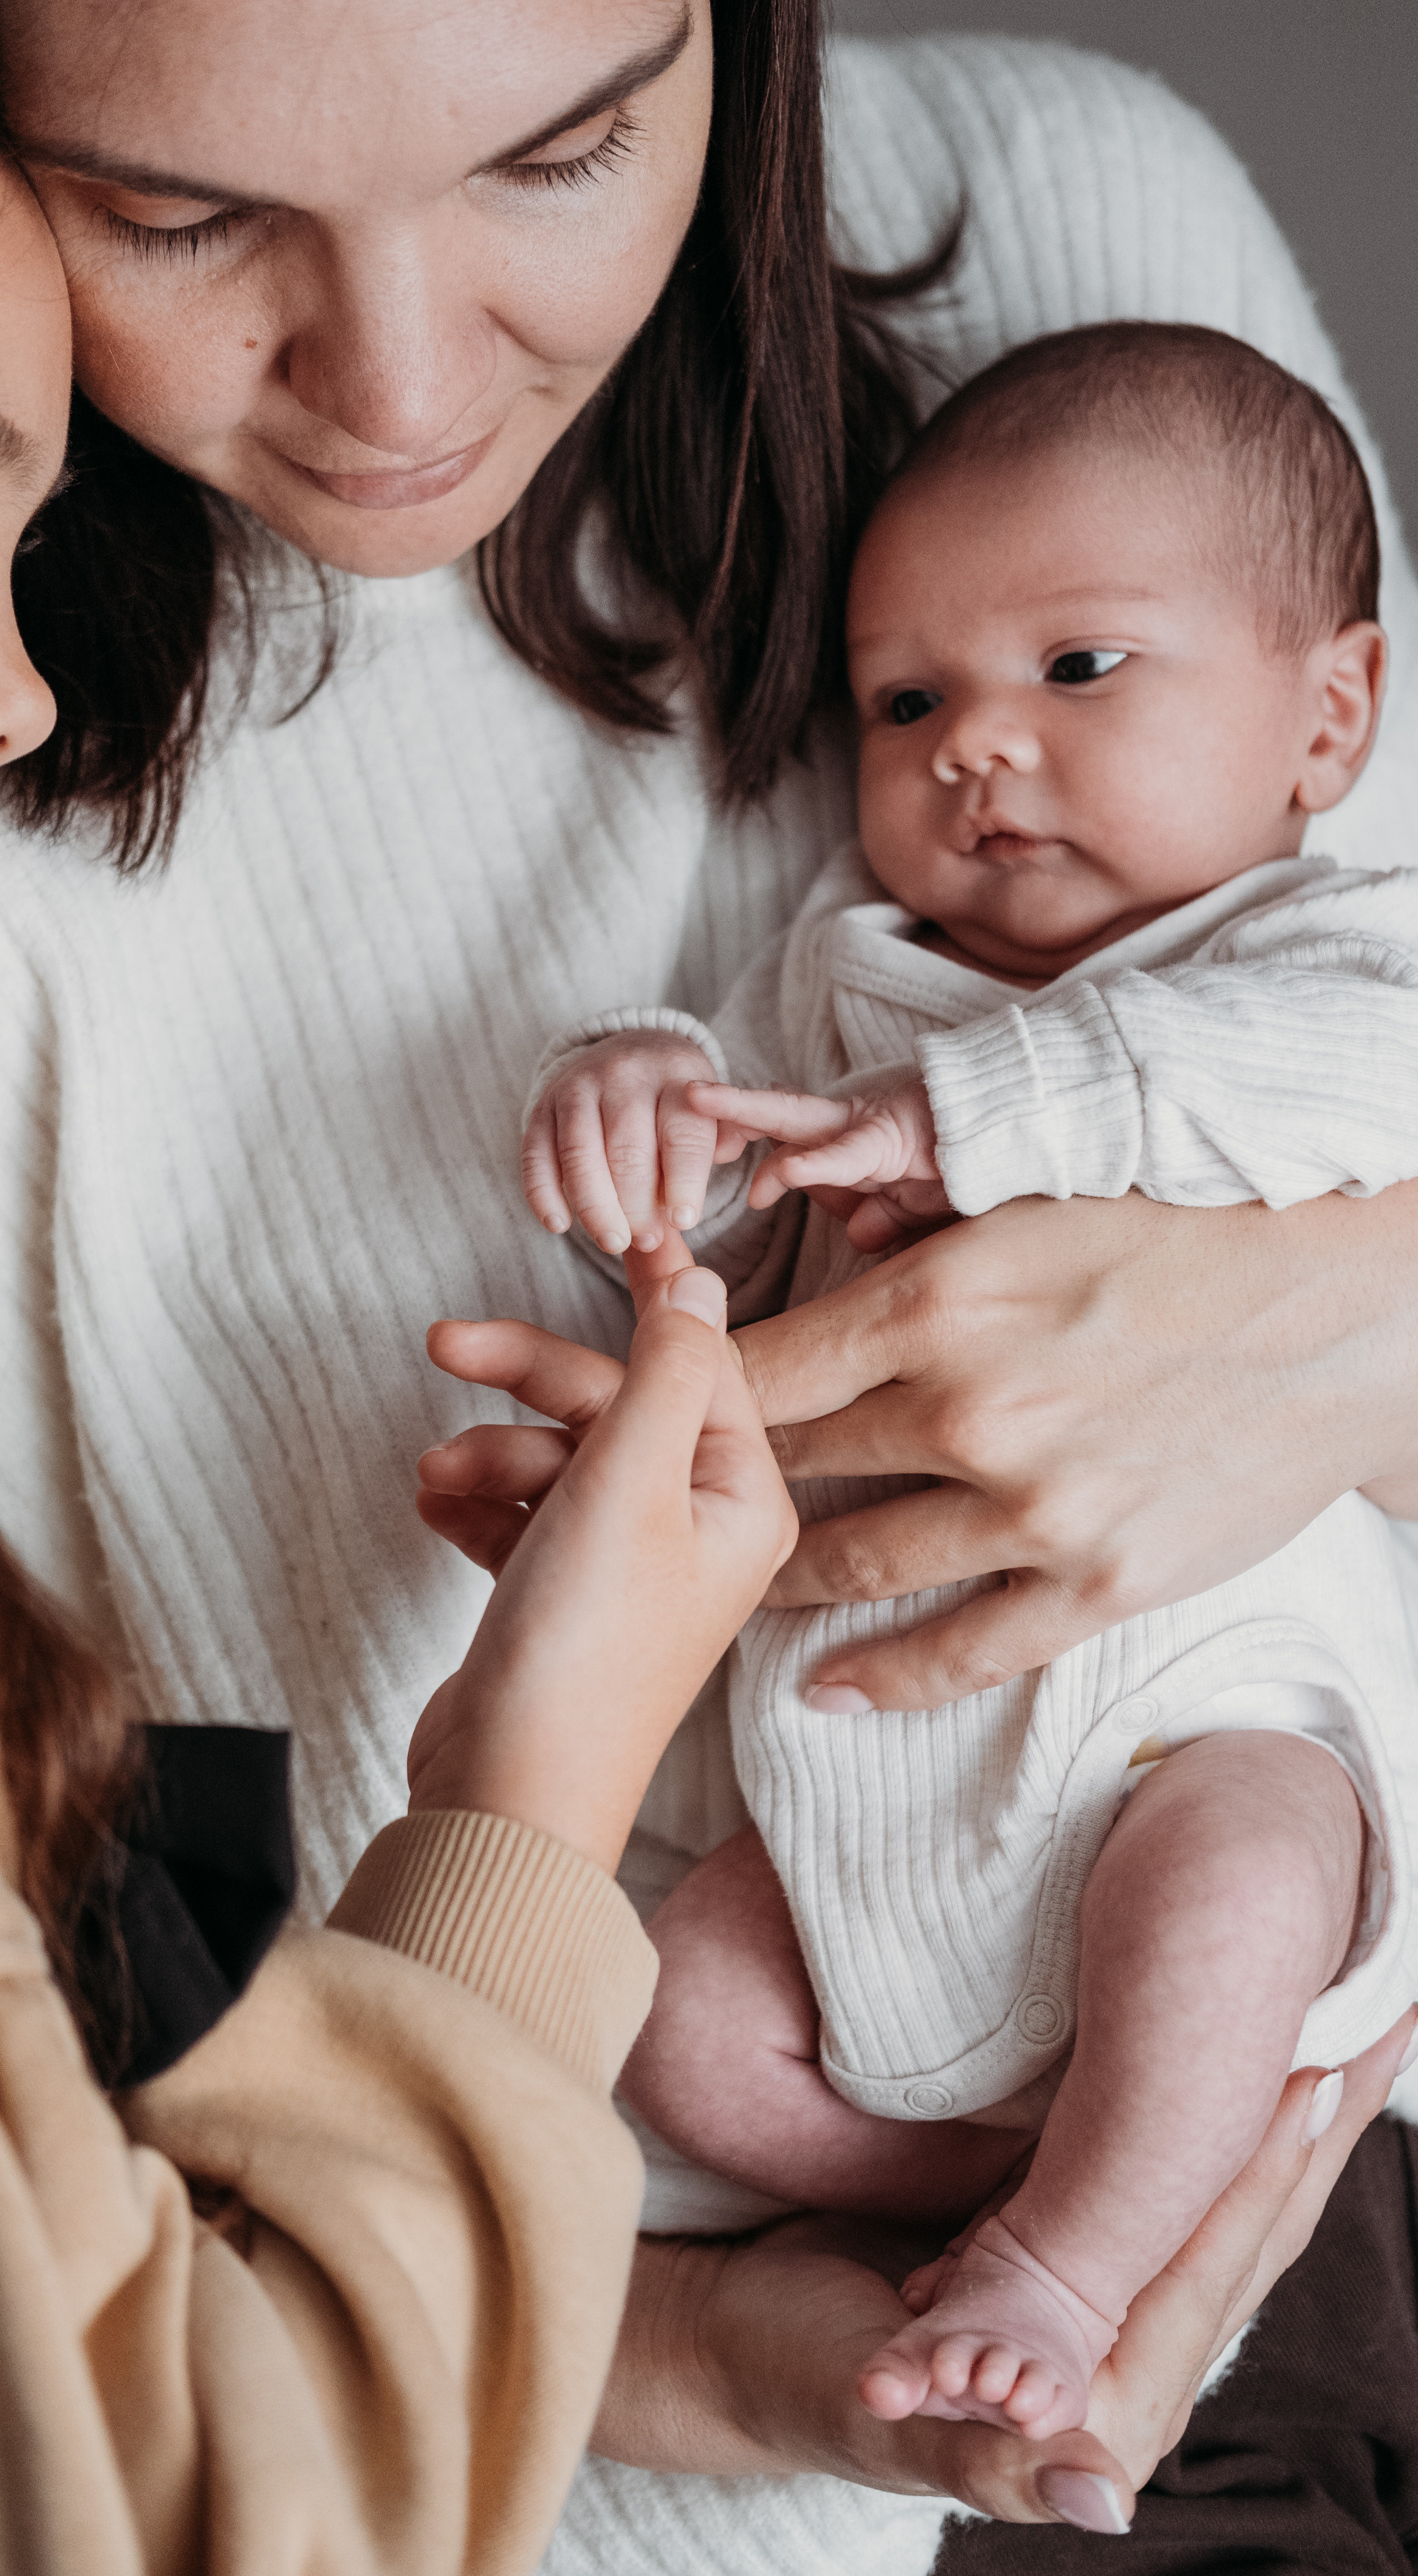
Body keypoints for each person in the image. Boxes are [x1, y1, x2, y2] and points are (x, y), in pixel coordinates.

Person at [0, 1, 1418, 2564]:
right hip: (523, 2401)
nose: (403, 388)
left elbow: (1342, 1013)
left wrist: (1322, 1329)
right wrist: (733, 2345)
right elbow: (69, 2253)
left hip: (1276, 2202)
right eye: (181, 218)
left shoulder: (1076, 274)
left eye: (566, 150)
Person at [523, 319, 1418, 2441]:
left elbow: (1348, 1085)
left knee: (1234, 1901)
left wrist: (971, 1113)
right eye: (906, 702)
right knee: (683, 2022)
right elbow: (732, 1210)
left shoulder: (1327, 960)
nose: (975, 750)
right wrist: (645, 1095)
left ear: (1333, 714)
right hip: (867, 1770)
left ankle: (1072, 2254)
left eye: (1078, 669)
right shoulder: (847, 972)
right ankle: (986, 2176)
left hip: (1199, 1714)